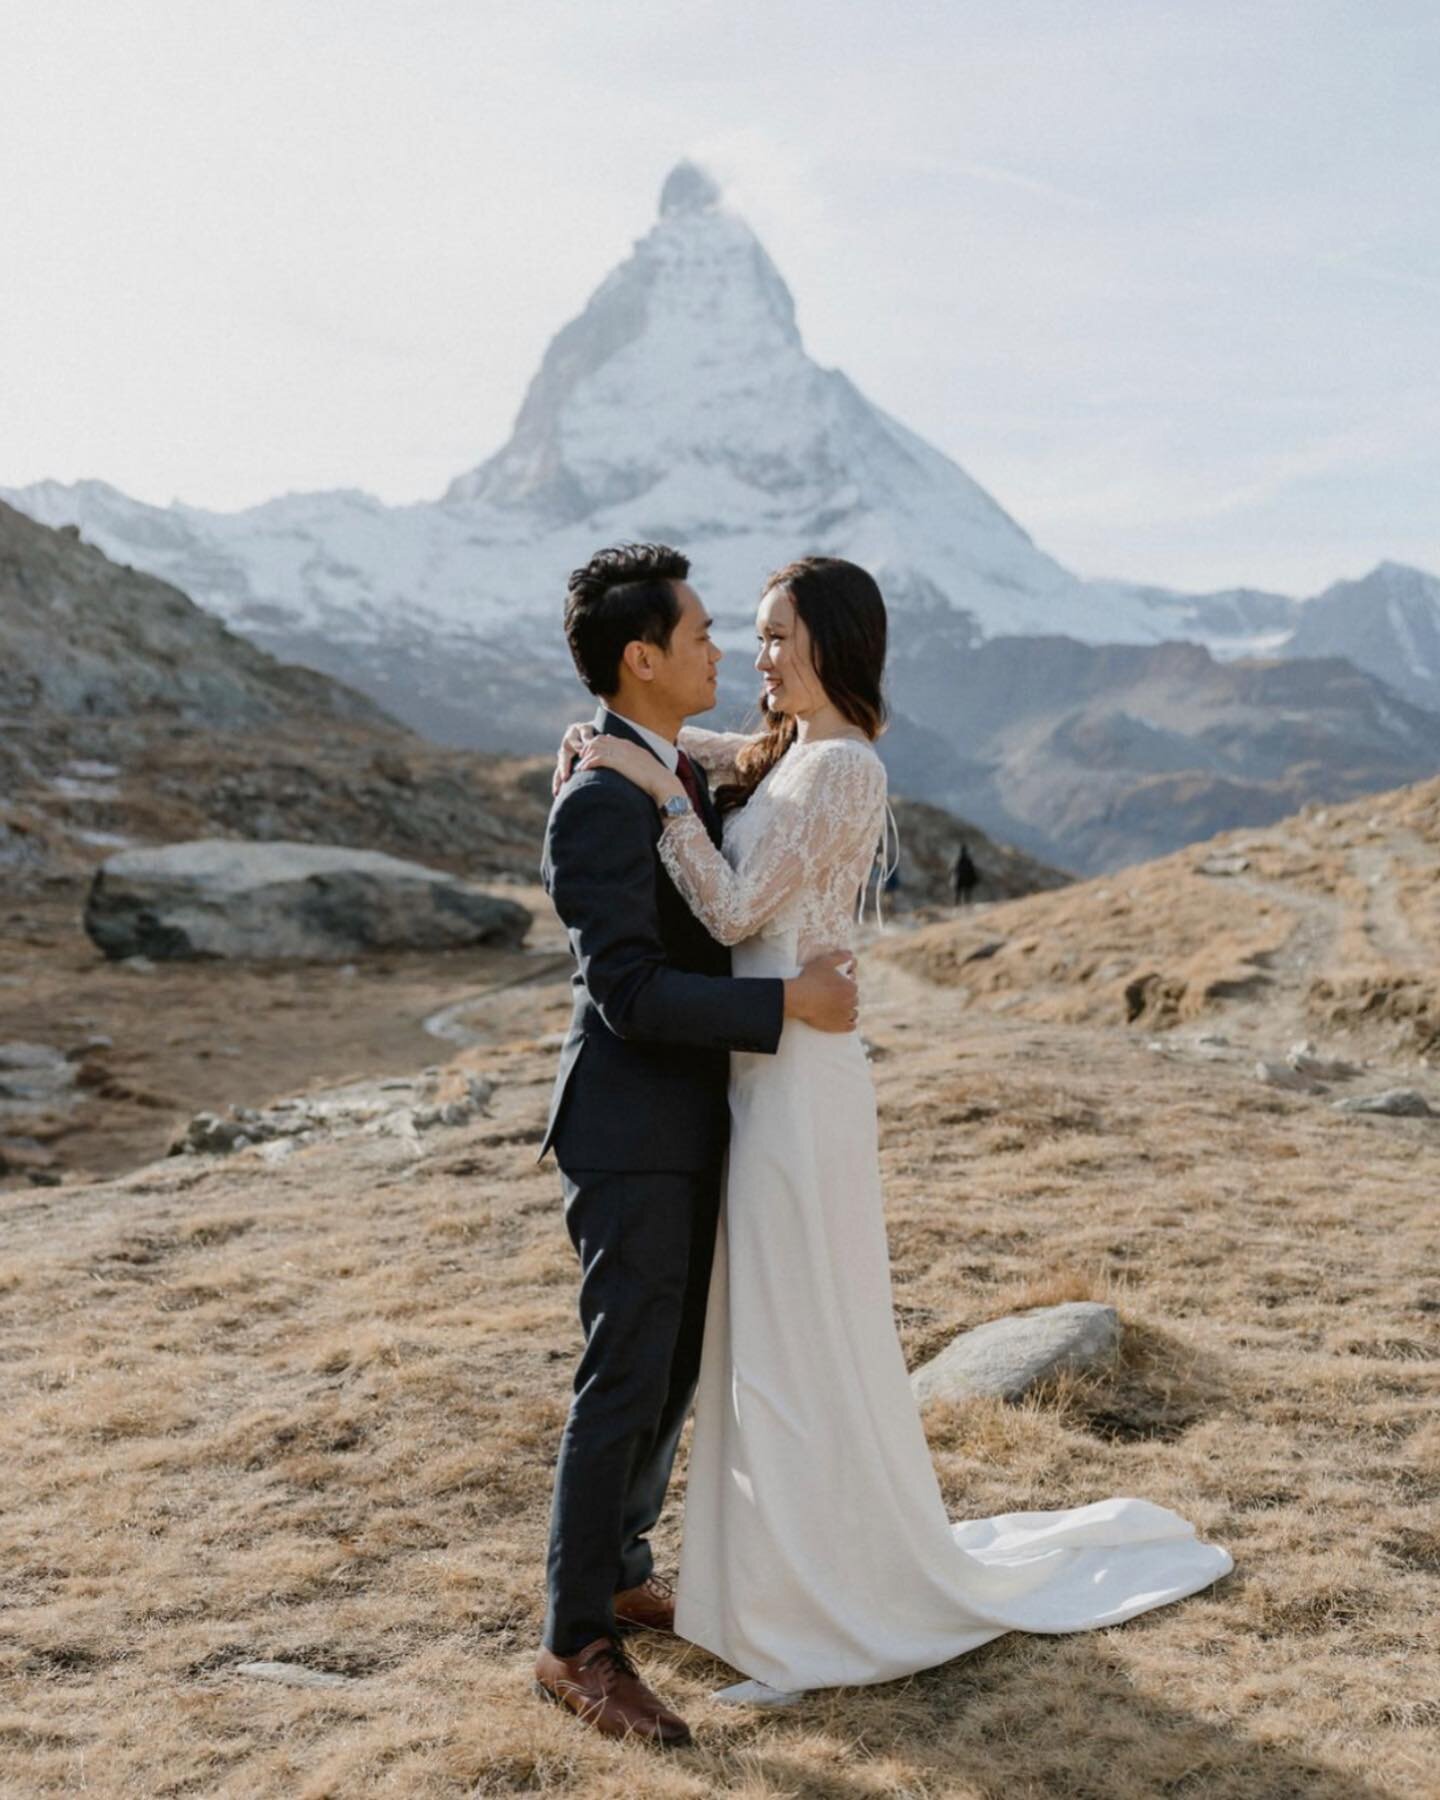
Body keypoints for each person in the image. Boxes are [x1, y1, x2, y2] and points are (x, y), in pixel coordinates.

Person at [556, 554, 1234, 1711]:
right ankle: (633, 1615)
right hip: (723, 1086)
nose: (749, 656)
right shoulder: (775, 754)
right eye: (736, 634)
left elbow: (725, 897)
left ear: (831, 641)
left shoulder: (843, 768)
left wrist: (659, 783)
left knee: (782, 1333)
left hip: (791, 1076)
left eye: (772, 637)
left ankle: (794, 1574)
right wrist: (630, 753)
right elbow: (712, 777)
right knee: (712, 1352)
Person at [533, 543, 860, 1748]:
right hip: (629, 1134)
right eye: (705, 634)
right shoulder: (597, 800)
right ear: (643, 657)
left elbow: (726, 796)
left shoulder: (655, 766)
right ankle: (577, 1647)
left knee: (668, 1372)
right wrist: (785, 1011)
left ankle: (621, 1568)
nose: (726, 651)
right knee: (622, 1378)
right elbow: (627, 990)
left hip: (697, 1123)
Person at [952, 840, 979, 905]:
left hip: (959, 878)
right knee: (967, 893)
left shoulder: (957, 859)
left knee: (958, 893)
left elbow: (954, 869)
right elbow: (972, 869)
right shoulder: (968, 859)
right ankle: (966, 904)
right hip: (966, 879)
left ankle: (957, 905)